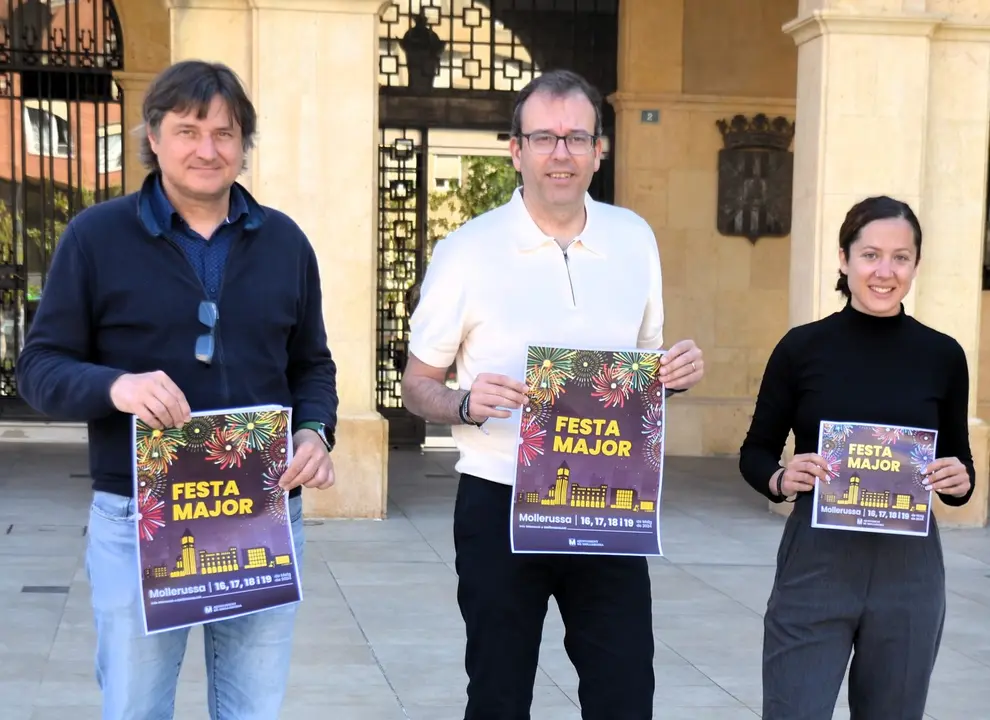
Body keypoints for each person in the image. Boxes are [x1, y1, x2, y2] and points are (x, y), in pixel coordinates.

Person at [15, 60, 338, 720]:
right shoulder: (94, 237)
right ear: (153, 137)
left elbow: (312, 365)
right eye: (188, 130)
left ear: (244, 146)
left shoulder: (284, 242)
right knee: (136, 707)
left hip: (262, 512)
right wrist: (116, 386)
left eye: (225, 133)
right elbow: (39, 369)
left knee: (252, 708)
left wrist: (316, 430)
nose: (208, 149)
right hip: (141, 513)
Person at [401, 69, 705, 720]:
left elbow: (641, 367)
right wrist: (462, 402)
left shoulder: (634, 240)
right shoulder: (467, 251)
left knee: (625, 695)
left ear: (601, 149)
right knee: (499, 695)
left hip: (606, 502)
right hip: (499, 502)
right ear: (516, 149)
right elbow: (416, 384)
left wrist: (670, 374)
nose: (560, 153)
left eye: (576, 137)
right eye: (544, 137)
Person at [738, 195, 975, 720]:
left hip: (909, 573)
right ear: (844, 260)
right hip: (817, 562)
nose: (885, 271)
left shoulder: (942, 356)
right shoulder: (802, 349)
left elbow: (962, 466)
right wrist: (781, 477)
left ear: (916, 264)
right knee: (794, 709)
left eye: (901, 257)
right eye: (870, 255)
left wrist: (958, 478)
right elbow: (754, 453)